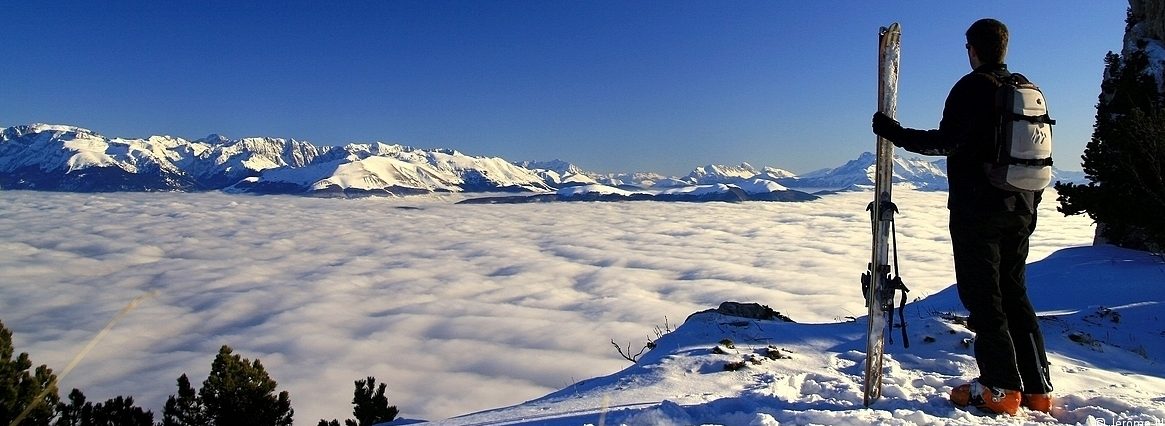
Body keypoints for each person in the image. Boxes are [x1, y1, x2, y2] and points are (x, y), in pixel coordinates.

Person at [871, 18, 1053, 415]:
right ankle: (1038, 388)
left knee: (984, 297)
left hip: (978, 210)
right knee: (1014, 292)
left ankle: (1000, 389)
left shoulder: (971, 88)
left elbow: (946, 142)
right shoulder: (1026, 88)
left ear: (973, 48)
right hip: (1022, 206)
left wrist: (891, 132)